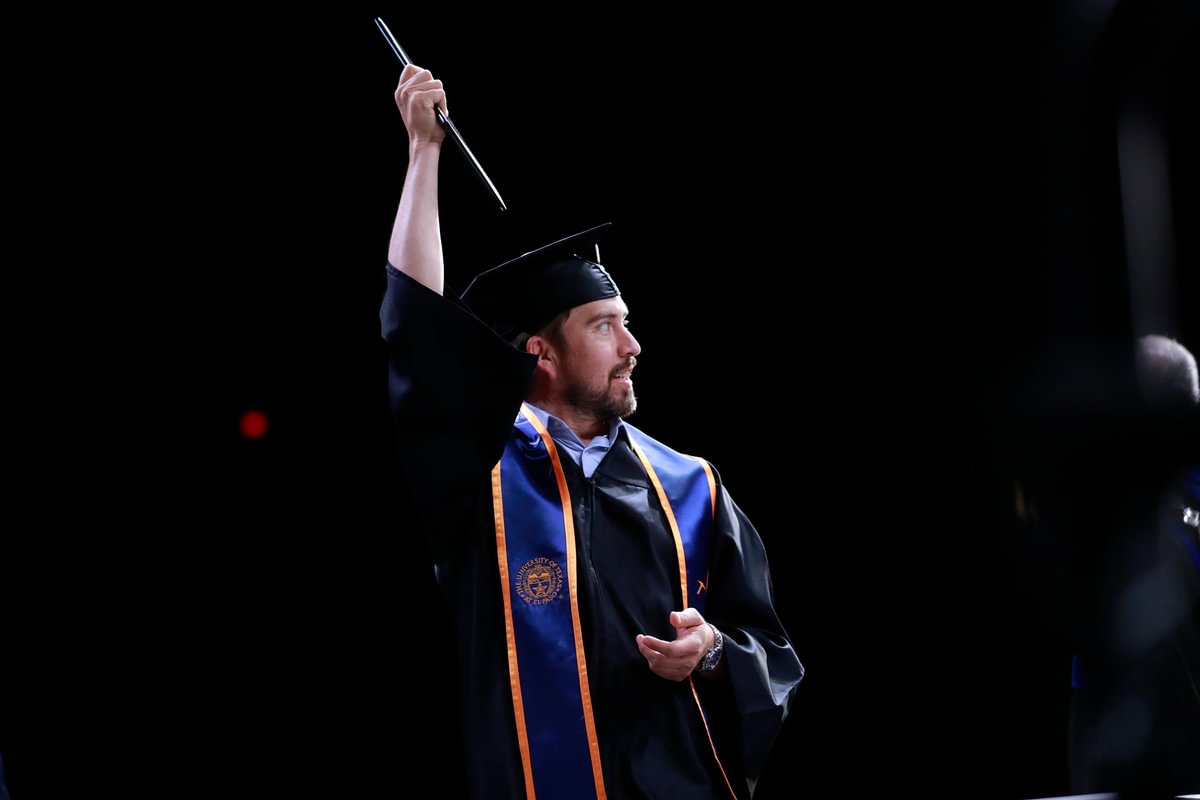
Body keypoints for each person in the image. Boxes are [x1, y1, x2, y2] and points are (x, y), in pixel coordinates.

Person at [379, 63, 804, 799]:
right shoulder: (483, 479)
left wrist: (709, 654)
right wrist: (424, 152)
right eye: (606, 327)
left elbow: (770, 653)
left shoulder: (691, 486)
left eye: (628, 326)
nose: (632, 347)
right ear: (539, 351)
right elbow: (418, 331)